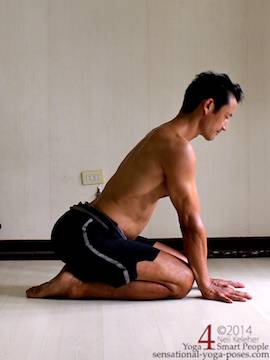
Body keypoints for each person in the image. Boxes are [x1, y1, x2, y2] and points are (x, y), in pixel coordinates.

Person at [26, 71, 252, 303]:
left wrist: (204, 276)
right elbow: (190, 222)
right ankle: (75, 285)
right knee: (182, 280)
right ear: (209, 105)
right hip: (87, 233)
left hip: (105, 233)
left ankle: (80, 272)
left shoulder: (166, 136)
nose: (226, 126)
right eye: (227, 116)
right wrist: (205, 285)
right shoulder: (177, 148)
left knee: (189, 266)